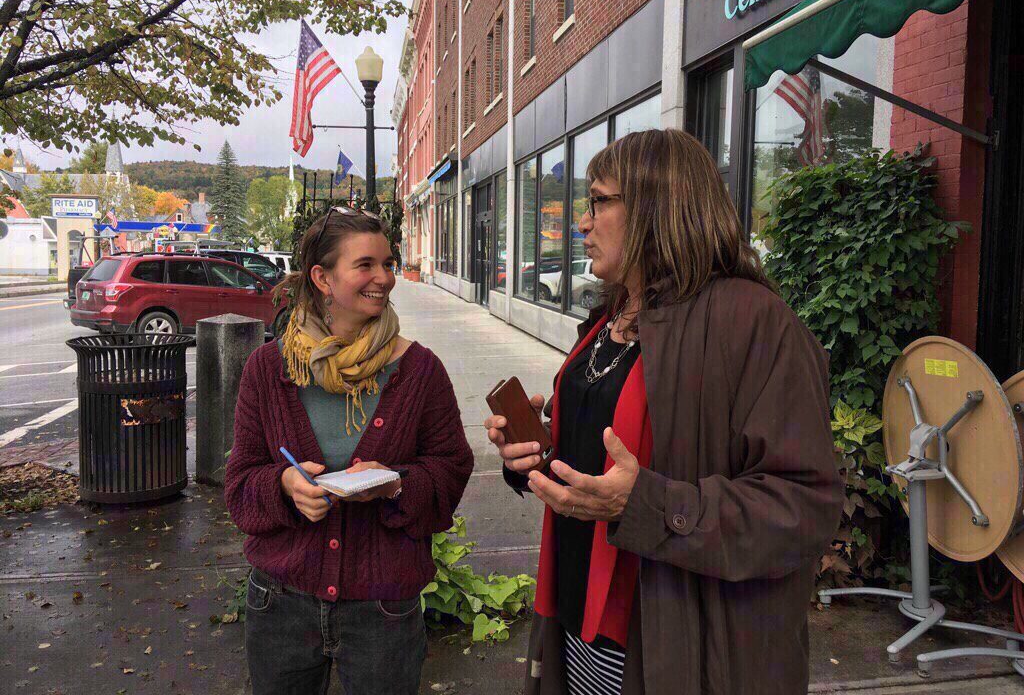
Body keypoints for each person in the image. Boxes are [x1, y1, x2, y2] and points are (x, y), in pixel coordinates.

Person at [485, 129, 842, 695]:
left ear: (657, 205)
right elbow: (627, 444)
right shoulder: (613, 316)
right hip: (577, 611)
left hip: (672, 641)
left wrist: (648, 505)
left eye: (599, 201)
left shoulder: (754, 322)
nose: (582, 222)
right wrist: (537, 450)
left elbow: (804, 505)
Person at [225, 207, 474, 695]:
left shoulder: (420, 371)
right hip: (280, 601)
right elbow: (239, 484)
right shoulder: (267, 369)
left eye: (387, 263)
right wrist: (284, 486)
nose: (384, 278)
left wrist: (396, 484)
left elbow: (451, 471)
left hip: (384, 607)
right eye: (365, 265)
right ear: (322, 276)